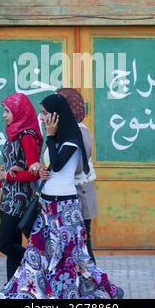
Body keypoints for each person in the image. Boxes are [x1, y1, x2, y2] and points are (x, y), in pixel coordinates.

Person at [0, 93, 124, 299]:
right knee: (36, 253)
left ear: (56, 115)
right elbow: (51, 167)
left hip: (65, 209)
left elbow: (58, 164)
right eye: (41, 113)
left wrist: (51, 135)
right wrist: (37, 168)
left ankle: (110, 290)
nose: (41, 117)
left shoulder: (73, 139)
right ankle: (28, 294)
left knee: (76, 257)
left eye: (45, 113)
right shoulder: (56, 138)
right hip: (46, 206)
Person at [0, 93, 43, 282]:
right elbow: (11, 167)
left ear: (19, 112)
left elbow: (35, 172)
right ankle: (12, 290)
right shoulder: (14, 133)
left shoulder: (27, 137)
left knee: (5, 243)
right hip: (8, 198)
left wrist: (6, 176)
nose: (4, 115)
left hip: (20, 200)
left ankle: (39, 262)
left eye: (7, 111)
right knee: (12, 249)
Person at [56, 88, 97, 263]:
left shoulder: (78, 130)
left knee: (83, 247)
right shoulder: (66, 130)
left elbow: (78, 166)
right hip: (70, 197)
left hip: (79, 196)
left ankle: (98, 285)